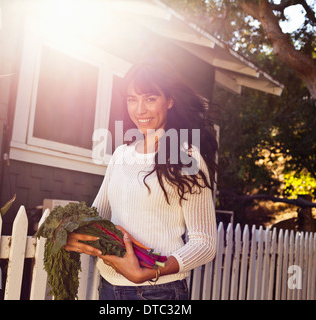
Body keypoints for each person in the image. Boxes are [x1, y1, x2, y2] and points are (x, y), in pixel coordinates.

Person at [64, 59, 219, 300]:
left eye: (149, 98)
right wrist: (69, 231)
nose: (139, 110)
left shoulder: (186, 156)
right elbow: (97, 216)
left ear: (169, 100)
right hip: (109, 287)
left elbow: (205, 242)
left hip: (161, 292)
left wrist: (152, 271)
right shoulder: (121, 154)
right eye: (131, 99)